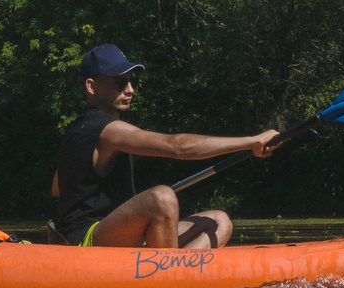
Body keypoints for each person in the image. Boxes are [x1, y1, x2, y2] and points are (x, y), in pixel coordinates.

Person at [50, 44, 278, 249]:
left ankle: (182, 276)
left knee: (219, 221)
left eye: (131, 81)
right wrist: (252, 141)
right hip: (86, 239)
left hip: (117, 234)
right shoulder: (107, 130)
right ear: (92, 86)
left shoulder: (79, 130)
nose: (130, 90)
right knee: (162, 198)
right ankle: (170, 285)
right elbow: (177, 146)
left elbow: (58, 189)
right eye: (120, 82)